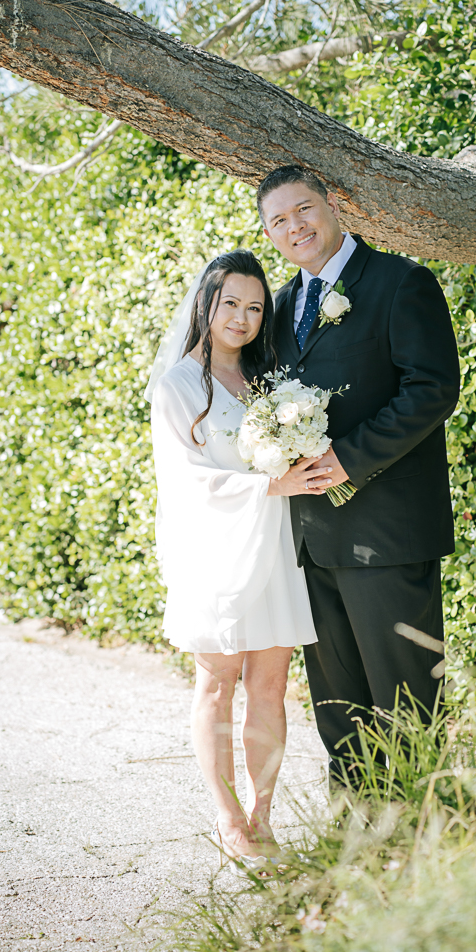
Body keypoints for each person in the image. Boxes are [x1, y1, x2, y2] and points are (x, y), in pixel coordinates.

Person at [257, 166, 461, 787]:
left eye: (303, 210)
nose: (295, 227)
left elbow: (433, 390)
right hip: (311, 541)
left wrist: (351, 457)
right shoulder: (281, 306)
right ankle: (356, 841)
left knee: (407, 706)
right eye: (278, 221)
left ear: (333, 204)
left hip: (388, 536)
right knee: (338, 711)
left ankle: (428, 841)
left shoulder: (401, 282)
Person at [145, 249, 331, 872]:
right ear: (207, 304)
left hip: (273, 545)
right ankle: (226, 816)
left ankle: (263, 812)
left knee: (271, 686)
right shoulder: (177, 387)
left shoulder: (270, 382)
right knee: (217, 686)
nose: (243, 317)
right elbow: (183, 482)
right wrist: (268, 486)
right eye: (232, 304)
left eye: (256, 308)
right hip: (214, 551)